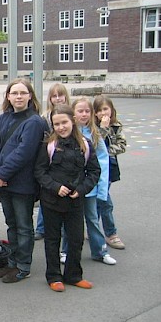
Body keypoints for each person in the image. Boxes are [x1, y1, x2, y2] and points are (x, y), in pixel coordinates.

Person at [0, 78, 48, 283]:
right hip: (3, 182)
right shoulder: (3, 119)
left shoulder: (35, 122)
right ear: (8, 96)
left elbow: (24, 153)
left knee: (23, 226)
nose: (19, 96)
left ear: (30, 96)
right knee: (11, 224)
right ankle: (12, 262)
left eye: (23, 93)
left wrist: (2, 174)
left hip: (23, 184)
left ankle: (23, 266)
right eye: (15, 93)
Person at [34, 105, 101, 292]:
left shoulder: (84, 144)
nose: (61, 127)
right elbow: (39, 171)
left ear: (73, 120)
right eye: (57, 124)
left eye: (64, 122)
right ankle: (53, 276)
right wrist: (55, 187)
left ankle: (73, 275)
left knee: (76, 239)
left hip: (75, 202)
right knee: (52, 240)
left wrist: (81, 189)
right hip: (51, 201)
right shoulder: (49, 145)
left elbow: (94, 171)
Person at [64, 97, 117, 266]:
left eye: (87, 111)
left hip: (90, 188)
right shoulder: (68, 133)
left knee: (92, 219)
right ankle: (65, 251)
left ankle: (100, 251)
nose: (84, 114)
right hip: (72, 187)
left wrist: (101, 188)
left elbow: (102, 163)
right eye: (80, 111)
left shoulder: (95, 135)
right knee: (70, 221)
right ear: (73, 113)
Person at [35, 83, 72, 240]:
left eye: (60, 95)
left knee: (67, 196)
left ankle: (66, 228)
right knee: (48, 195)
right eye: (54, 96)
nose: (57, 98)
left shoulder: (69, 114)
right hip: (50, 160)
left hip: (67, 163)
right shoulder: (45, 117)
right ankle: (41, 227)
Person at [94, 95, 127, 250]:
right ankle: (110, 233)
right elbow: (94, 144)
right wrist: (103, 128)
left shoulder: (116, 126)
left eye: (105, 109)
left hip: (109, 167)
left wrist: (105, 152)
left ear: (111, 110)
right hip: (94, 168)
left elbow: (122, 146)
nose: (102, 113)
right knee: (103, 200)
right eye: (99, 110)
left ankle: (106, 232)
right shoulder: (93, 127)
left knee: (103, 199)